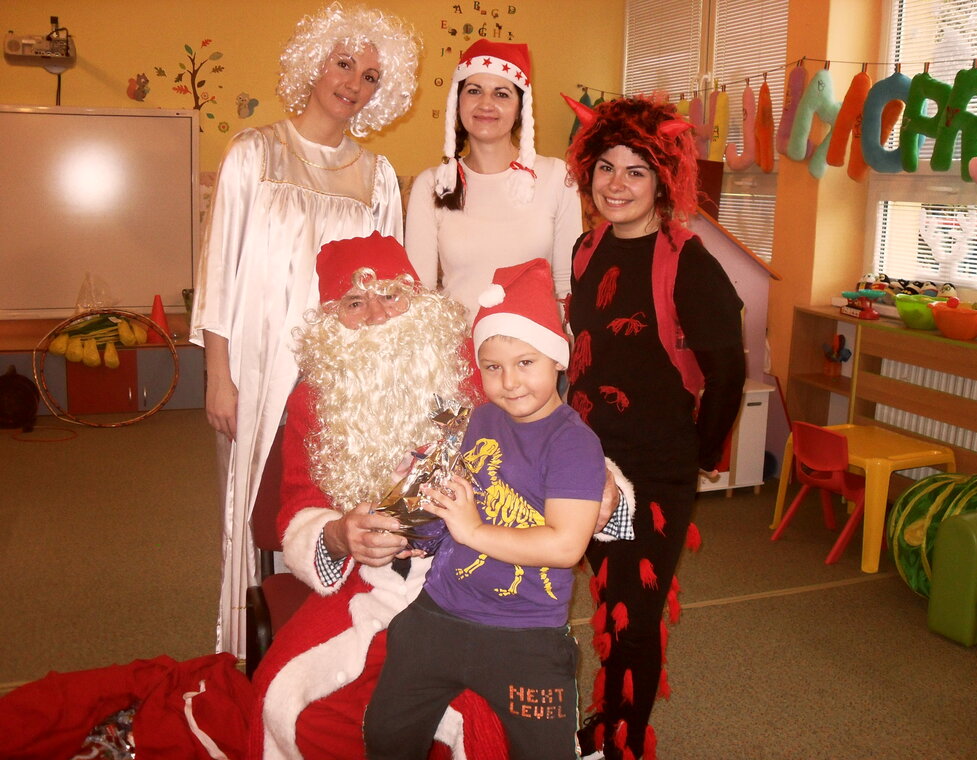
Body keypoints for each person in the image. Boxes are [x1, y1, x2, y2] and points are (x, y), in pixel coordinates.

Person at [188, 3, 419, 655]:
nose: (353, 83)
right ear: (315, 63)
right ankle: (247, 648)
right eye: (344, 64)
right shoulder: (254, 153)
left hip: (344, 373)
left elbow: (391, 289)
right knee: (255, 501)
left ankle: (336, 644)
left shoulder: (377, 177)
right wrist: (218, 375)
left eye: (370, 76)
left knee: (340, 498)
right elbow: (220, 271)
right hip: (259, 362)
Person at [248, 233, 507, 760]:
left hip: (478, 576)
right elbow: (298, 504)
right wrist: (339, 535)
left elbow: (543, 428)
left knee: (486, 717)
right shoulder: (314, 400)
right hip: (370, 588)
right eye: (354, 303)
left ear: (418, 300)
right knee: (290, 704)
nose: (377, 316)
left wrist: (596, 483)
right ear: (331, 320)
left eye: (390, 294)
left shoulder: (478, 367)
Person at [562, 96, 747, 760]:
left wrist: (697, 454)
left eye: (636, 171)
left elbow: (728, 371)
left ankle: (624, 744)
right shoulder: (587, 249)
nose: (616, 184)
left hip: (654, 469)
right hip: (585, 459)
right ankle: (605, 720)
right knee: (607, 598)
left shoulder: (688, 261)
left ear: (662, 180)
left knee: (637, 617)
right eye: (606, 168)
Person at [364, 258, 605, 760]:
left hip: (528, 632)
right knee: (385, 736)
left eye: (526, 362)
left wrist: (471, 530)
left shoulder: (574, 442)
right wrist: (418, 530)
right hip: (440, 612)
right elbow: (454, 500)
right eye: (493, 367)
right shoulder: (476, 419)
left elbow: (565, 546)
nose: (509, 382)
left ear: (558, 359)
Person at [404, 39, 582, 321]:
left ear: (520, 108)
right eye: (474, 91)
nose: (486, 103)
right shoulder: (432, 184)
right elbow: (420, 294)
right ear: (457, 102)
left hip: (535, 345)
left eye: (501, 94)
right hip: (458, 344)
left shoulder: (558, 177)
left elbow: (566, 284)